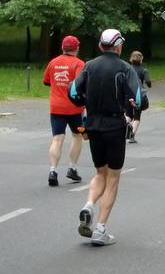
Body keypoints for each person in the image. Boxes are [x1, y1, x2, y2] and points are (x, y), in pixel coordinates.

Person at [69, 28, 148, 246]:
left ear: (100, 46)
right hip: (114, 126)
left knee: (99, 172)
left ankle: (88, 205)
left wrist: (85, 101)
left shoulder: (89, 65)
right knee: (113, 177)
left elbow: (73, 93)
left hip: (92, 125)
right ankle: (101, 229)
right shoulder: (125, 68)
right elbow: (140, 99)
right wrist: (133, 103)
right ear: (119, 45)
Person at [43, 35, 85, 187]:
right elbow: (81, 85)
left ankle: (52, 171)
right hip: (75, 109)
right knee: (78, 135)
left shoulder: (53, 62)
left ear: (62, 47)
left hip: (56, 108)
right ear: (77, 48)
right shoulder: (79, 64)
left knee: (57, 138)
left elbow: (46, 81)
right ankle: (72, 168)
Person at [126, 51, 151, 143]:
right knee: (137, 116)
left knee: (128, 115)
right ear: (141, 59)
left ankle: (122, 130)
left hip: (127, 94)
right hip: (138, 96)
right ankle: (131, 136)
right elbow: (148, 83)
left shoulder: (127, 69)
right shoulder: (143, 70)